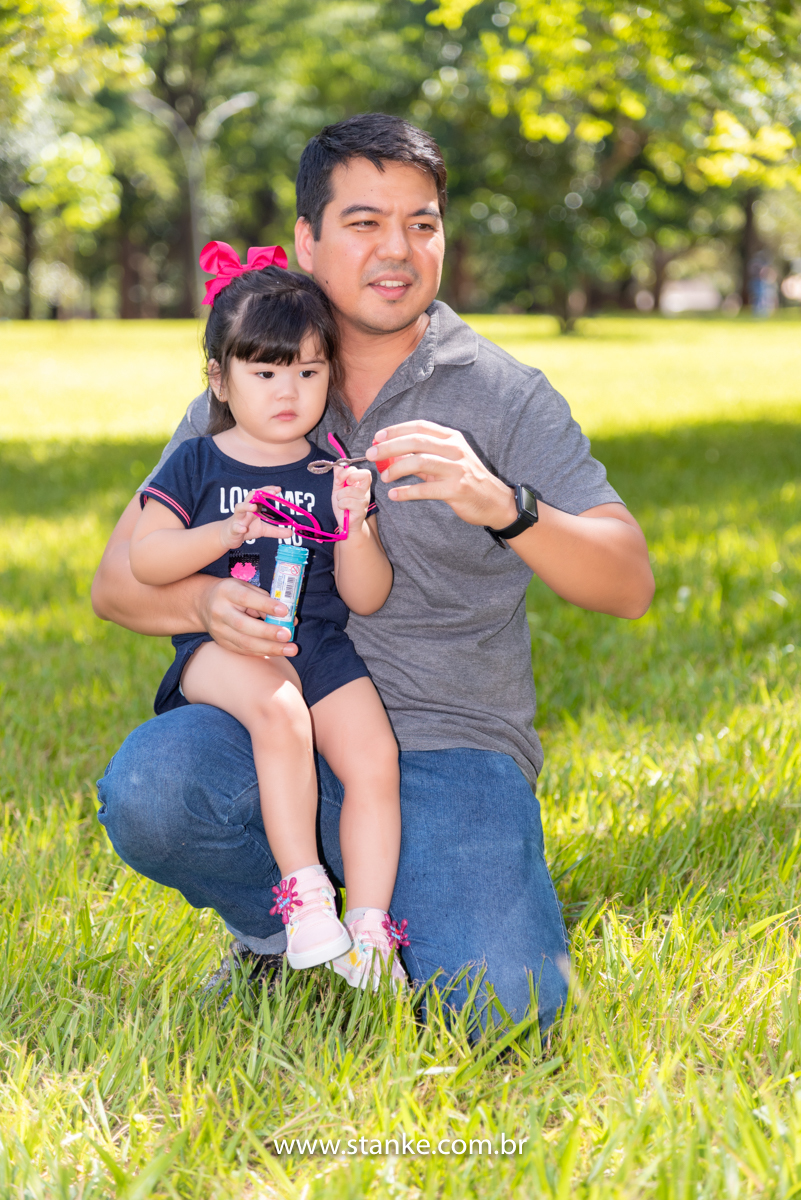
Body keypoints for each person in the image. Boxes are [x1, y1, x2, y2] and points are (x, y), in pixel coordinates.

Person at [92, 113, 654, 1032]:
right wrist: (203, 601)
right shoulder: (249, 384)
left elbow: (627, 583)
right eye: (364, 222)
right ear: (307, 241)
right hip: (273, 724)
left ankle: (396, 909)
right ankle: (276, 937)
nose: (397, 249)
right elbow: (116, 584)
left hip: (449, 746)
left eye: (421, 223)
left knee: (505, 1012)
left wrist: (503, 504)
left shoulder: (503, 394)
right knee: (154, 790)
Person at [128, 253, 405, 988]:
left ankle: (370, 930)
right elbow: (147, 561)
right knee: (280, 714)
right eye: (265, 372)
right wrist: (220, 536)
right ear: (219, 378)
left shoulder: (325, 475)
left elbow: (366, 597)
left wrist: (359, 525)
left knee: (374, 757)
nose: (289, 391)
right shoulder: (195, 464)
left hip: (312, 642)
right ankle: (304, 895)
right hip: (225, 644)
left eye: (309, 373)